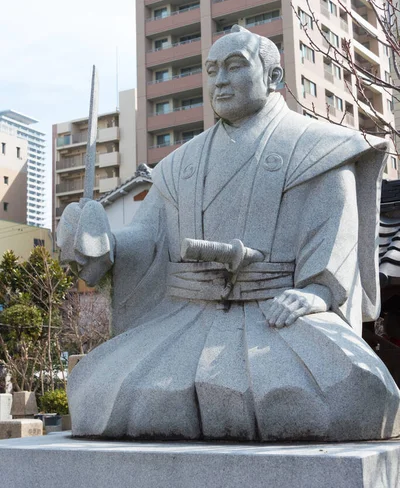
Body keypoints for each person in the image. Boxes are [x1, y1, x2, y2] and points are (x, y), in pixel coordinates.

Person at [59, 26, 400, 442]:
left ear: (273, 78)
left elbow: (336, 230)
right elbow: (148, 240)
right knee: (98, 392)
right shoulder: (177, 165)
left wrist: (319, 291)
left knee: (349, 390)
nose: (219, 80)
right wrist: (102, 244)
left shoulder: (318, 149)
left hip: (277, 315)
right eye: (212, 69)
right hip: (187, 319)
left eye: (235, 66)